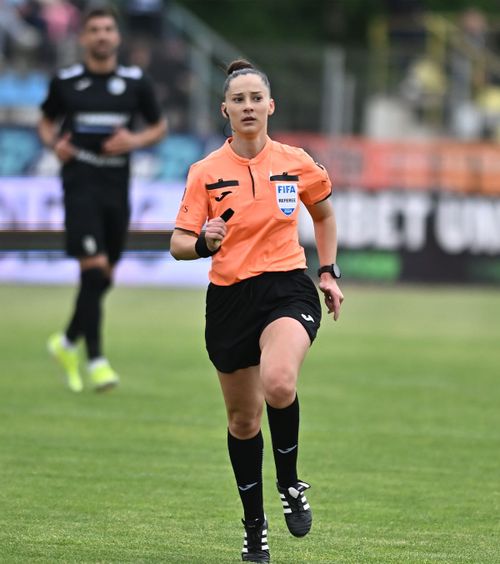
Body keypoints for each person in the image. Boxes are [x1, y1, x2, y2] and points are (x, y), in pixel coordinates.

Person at [170, 59, 344, 563]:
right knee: (244, 422)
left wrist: (327, 272)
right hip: (230, 299)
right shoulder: (205, 172)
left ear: (271, 106)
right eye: (238, 100)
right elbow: (178, 243)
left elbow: (324, 214)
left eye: (255, 98)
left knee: (279, 382)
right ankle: (254, 528)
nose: (247, 106)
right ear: (224, 110)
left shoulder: (297, 162)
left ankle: (289, 482)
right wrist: (203, 243)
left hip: (287, 287)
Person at [38, 6, 167, 392]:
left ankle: (66, 342)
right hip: (80, 184)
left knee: (104, 276)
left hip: (117, 186)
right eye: (94, 29)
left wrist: (134, 140)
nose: (102, 35)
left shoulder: (135, 82)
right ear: (83, 37)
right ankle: (96, 360)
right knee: (93, 272)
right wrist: (54, 144)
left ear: (117, 36)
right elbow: (45, 121)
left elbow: (159, 126)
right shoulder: (66, 82)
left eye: (108, 29)